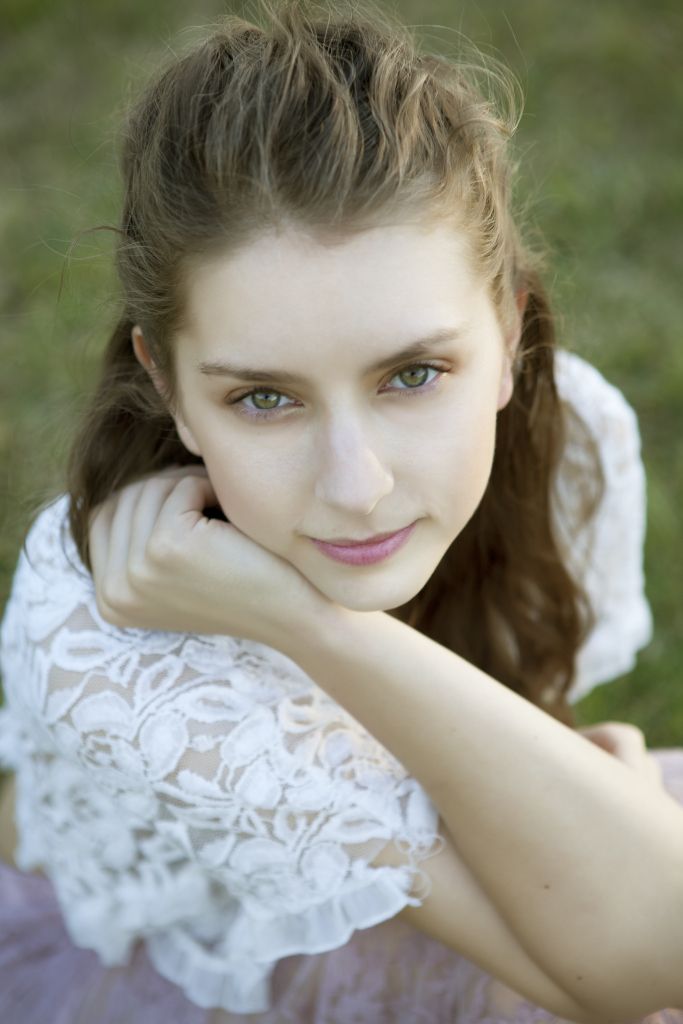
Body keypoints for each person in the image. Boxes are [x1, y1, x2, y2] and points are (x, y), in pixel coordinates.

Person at [0, 0, 682, 1020]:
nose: (355, 486)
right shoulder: (112, 632)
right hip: (187, 963)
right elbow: (640, 962)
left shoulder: (567, 436)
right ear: (169, 385)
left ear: (506, 333)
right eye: (262, 399)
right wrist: (304, 623)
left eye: (412, 375)